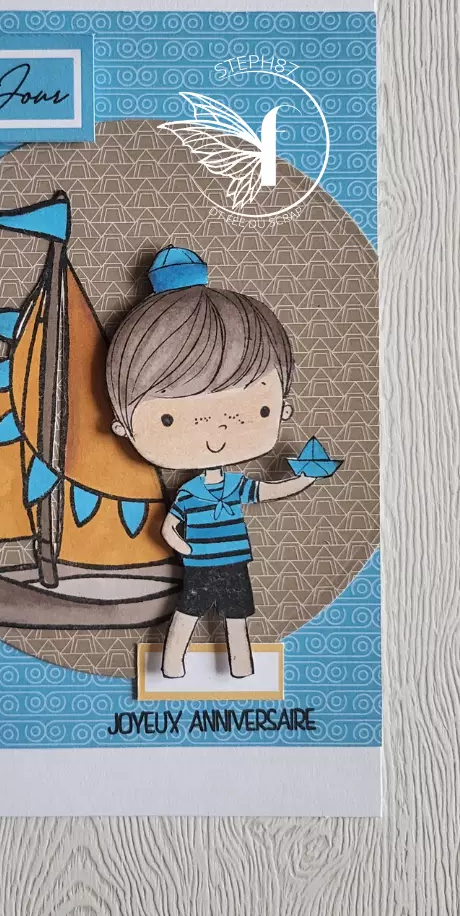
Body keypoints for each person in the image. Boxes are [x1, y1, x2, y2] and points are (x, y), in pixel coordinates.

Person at [105, 246, 324, 678]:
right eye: (169, 418)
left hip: (234, 562)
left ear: (283, 408)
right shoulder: (189, 491)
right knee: (187, 613)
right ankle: (171, 665)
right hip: (200, 564)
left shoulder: (235, 486)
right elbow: (169, 525)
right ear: (123, 426)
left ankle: (241, 667)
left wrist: (304, 478)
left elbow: (268, 491)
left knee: (238, 617)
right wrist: (182, 546)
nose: (216, 434)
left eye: (255, 409)